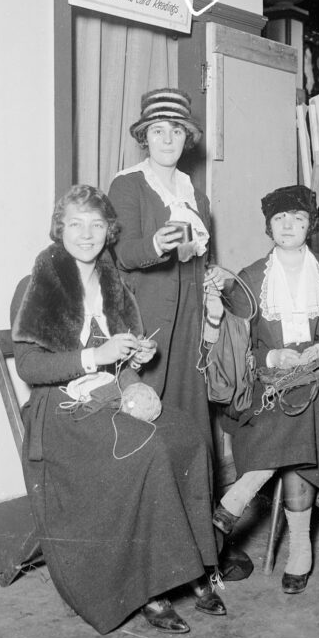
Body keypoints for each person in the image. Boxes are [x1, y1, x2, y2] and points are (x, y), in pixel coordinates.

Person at [10, 185, 225, 635]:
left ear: (110, 231)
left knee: (186, 436)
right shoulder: (38, 284)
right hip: (61, 408)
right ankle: (152, 590)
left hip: (108, 394)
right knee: (144, 450)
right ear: (59, 229)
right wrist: (98, 356)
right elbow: (30, 365)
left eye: (96, 225)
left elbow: (121, 362)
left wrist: (132, 366)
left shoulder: (115, 283)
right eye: (75, 224)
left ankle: (198, 566)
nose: (86, 234)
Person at [212, 185, 319, 594]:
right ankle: (301, 547)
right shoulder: (250, 279)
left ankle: (239, 496)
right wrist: (272, 359)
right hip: (270, 388)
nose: (288, 226)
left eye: (297, 219)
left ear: (310, 226)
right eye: (280, 218)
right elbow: (238, 349)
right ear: (269, 226)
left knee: (309, 402)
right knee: (294, 409)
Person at [108, 88, 228, 445]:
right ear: (145, 137)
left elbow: (201, 260)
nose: (167, 139)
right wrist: (157, 244)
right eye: (158, 130)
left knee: (189, 419)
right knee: (145, 422)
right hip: (145, 323)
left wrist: (213, 274)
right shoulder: (128, 184)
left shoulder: (196, 196)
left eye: (176, 130)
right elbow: (122, 255)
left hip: (189, 326)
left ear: (186, 138)